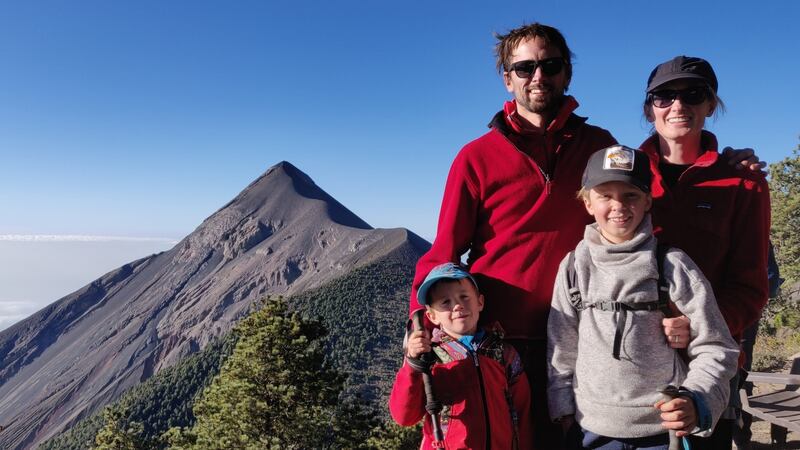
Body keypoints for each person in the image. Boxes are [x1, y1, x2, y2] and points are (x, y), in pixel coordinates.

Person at [409, 23, 763, 448]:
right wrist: (420, 320)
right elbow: (443, 252)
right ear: (508, 78)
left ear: (566, 73)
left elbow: (634, 188)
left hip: (597, 346)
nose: (538, 76)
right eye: (524, 67)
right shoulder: (476, 158)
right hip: (504, 344)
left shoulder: (599, 146)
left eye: (551, 65)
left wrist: (730, 162)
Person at [547, 145, 739, 449]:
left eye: (630, 195)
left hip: (663, 434)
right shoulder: (573, 267)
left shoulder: (672, 264)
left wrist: (696, 400)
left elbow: (717, 347)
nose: (618, 206)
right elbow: (561, 348)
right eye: (605, 195)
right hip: (591, 433)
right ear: (587, 203)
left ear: (648, 201)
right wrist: (563, 412)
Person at [639, 56, 771, 450]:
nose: (678, 105)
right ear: (650, 108)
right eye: (664, 96)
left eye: (693, 94)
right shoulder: (623, 175)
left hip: (707, 365)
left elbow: (750, 287)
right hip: (632, 362)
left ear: (710, 105)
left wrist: (697, 327)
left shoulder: (744, 183)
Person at [389, 262, 532, 449]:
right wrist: (412, 365)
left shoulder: (504, 354)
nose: (457, 306)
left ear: (480, 302)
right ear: (432, 316)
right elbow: (404, 416)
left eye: (464, 297)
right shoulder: (429, 357)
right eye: (445, 302)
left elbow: (522, 412)